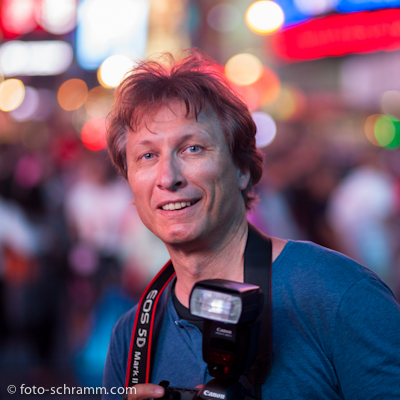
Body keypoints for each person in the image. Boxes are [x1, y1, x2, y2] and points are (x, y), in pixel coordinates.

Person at [102, 50, 400, 400]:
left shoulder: (339, 295)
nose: (168, 177)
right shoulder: (133, 336)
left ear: (242, 170)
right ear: (129, 183)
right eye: (147, 156)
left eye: (193, 149)